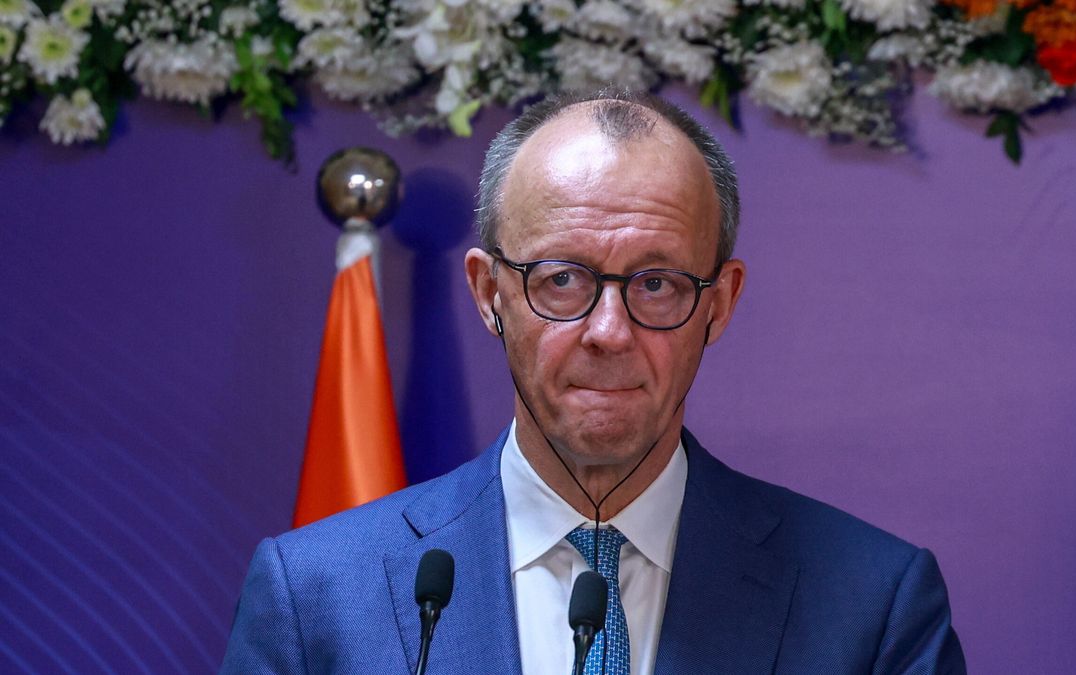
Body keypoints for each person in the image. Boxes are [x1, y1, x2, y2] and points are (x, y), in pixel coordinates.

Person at [221, 90, 966, 674]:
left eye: (657, 284)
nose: (608, 330)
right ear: (488, 293)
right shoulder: (316, 595)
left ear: (720, 301)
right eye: (562, 278)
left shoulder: (872, 603)